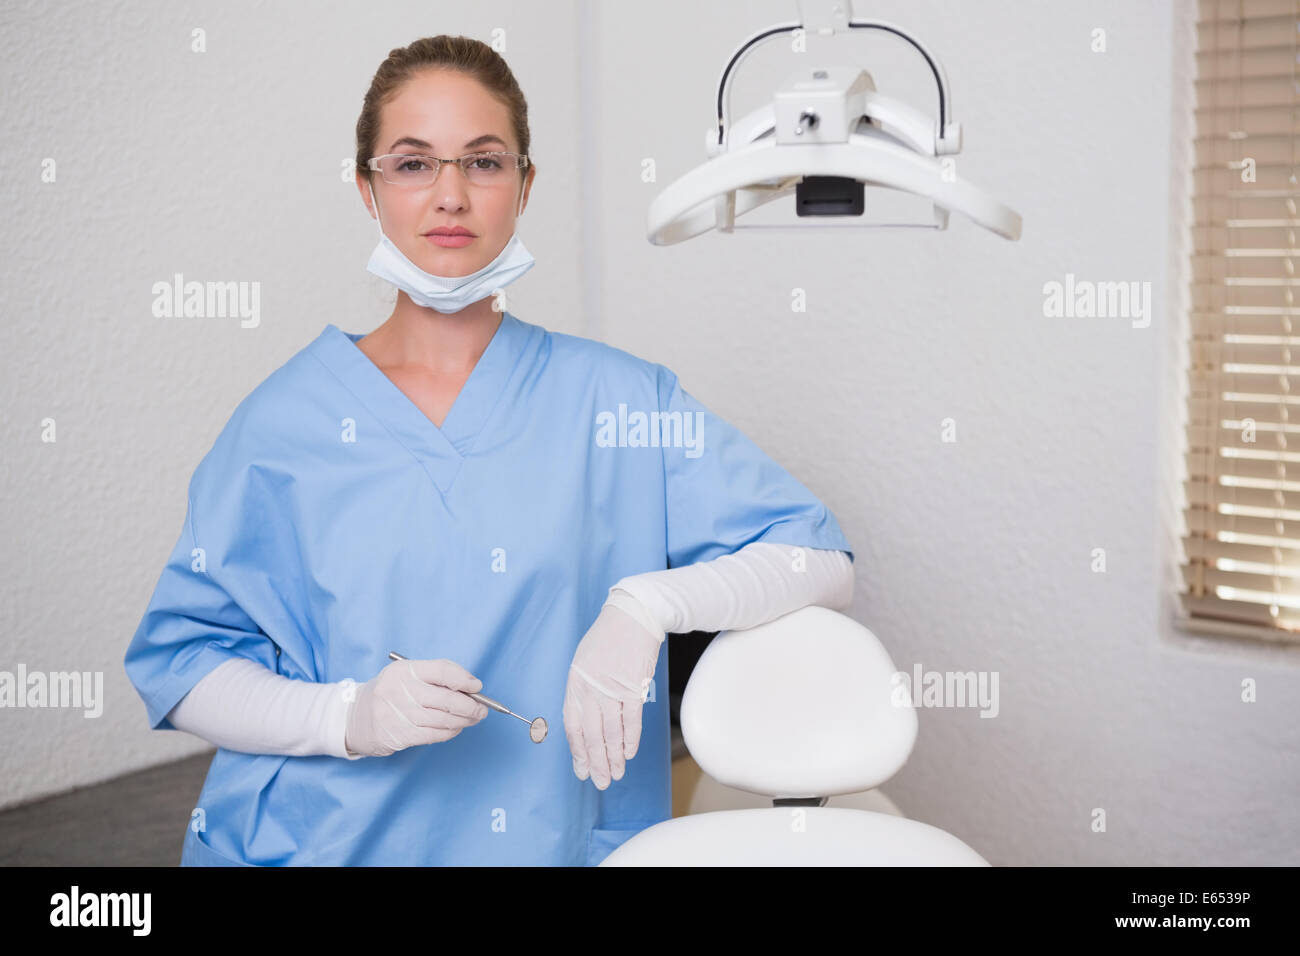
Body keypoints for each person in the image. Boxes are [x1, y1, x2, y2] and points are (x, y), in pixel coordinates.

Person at [123, 35, 855, 867]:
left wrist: (648, 607)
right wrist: (346, 718)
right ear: (367, 189)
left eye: (483, 162)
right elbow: (183, 666)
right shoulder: (284, 424)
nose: (449, 197)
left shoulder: (618, 402)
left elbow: (819, 559)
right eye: (410, 164)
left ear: (525, 184)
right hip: (319, 845)